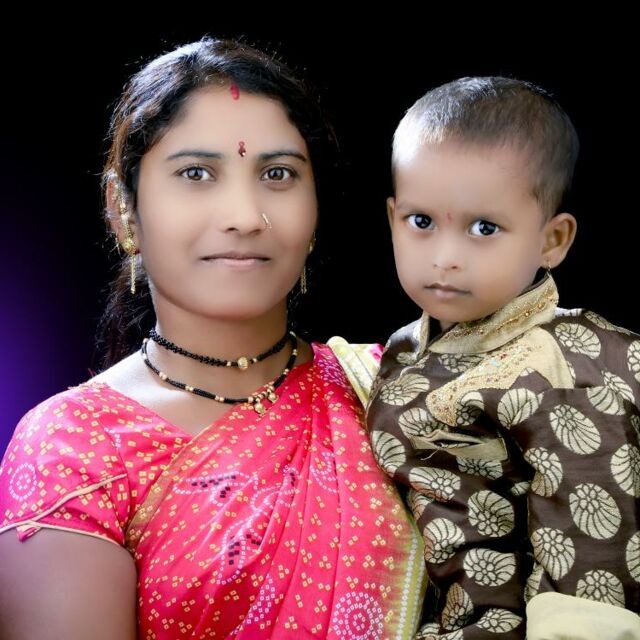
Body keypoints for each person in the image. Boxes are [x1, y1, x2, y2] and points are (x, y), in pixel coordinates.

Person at [0, 37, 425, 639]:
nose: (245, 216)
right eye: (196, 174)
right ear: (123, 210)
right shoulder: (74, 448)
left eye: (278, 174)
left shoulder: (398, 389)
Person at [366, 76, 640, 639]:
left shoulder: (563, 367)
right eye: (421, 222)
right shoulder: (402, 348)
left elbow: (595, 560)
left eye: (484, 228)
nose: (445, 257)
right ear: (393, 218)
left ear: (552, 240)